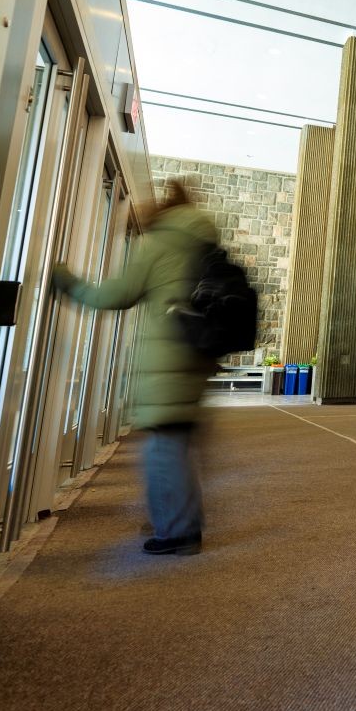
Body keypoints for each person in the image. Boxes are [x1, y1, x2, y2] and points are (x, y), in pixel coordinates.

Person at [51, 179, 219, 556]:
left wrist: (68, 283)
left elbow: (117, 294)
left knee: (162, 448)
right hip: (197, 354)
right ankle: (182, 522)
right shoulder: (205, 241)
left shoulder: (162, 242)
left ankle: (177, 533)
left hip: (167, 359)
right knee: (175, 444)